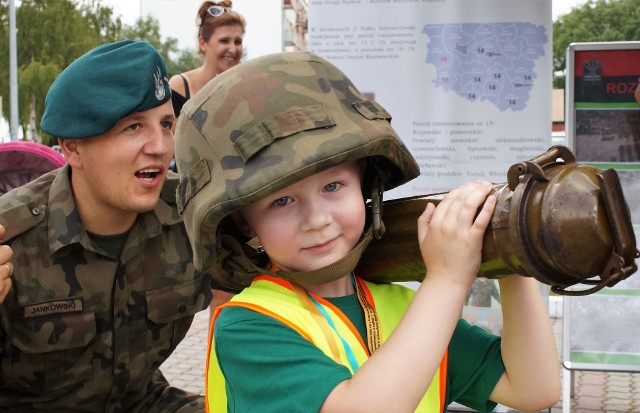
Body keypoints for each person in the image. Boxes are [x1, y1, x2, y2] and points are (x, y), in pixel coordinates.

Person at [174, 52, 561, 412]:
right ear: (243, 223)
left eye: (332, 187)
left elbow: (532, 388)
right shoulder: (248, 325)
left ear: (364, 185)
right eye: (281, 202)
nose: (316, 219)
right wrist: (446, 279)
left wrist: (509, 256)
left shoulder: (404, 308)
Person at [0, 40, 212, 412]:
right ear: (73, 149)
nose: (161, 147)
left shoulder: (193, 212)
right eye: (133, 127)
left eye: (166, 124)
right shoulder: (10, 237)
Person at [169, 0, 245, 118]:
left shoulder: (246, 86)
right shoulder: (181, 86)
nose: (233, 49)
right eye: (224, 41)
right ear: (203, 43)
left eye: (238, 42)